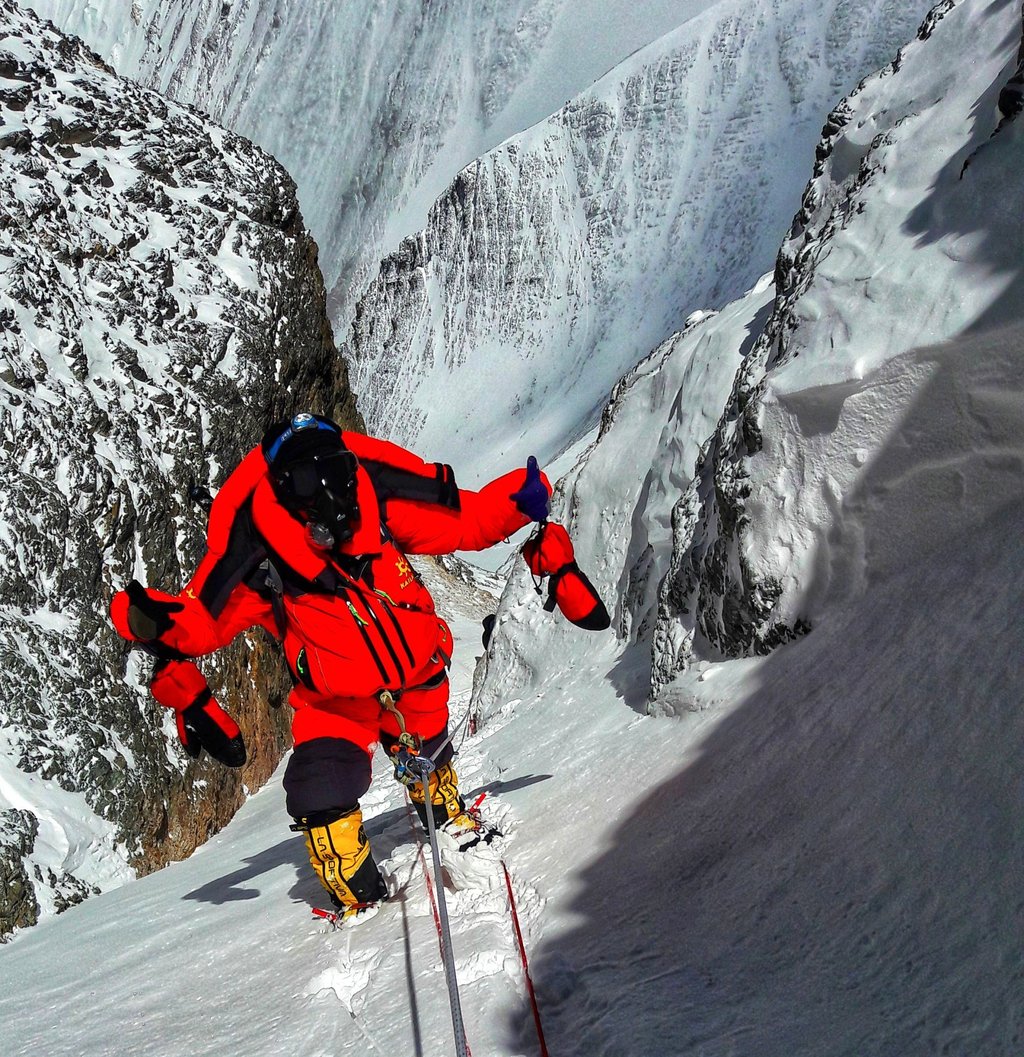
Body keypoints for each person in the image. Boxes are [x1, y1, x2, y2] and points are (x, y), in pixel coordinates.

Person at [109, 412, 564, 919]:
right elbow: (207, 618)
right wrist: (158, 623)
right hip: (337, 699)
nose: (330, 491)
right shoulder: (265, 564)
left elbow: (465, 521)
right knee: (319, 789)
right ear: (286, 490)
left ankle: (441, 808)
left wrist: (518, 501)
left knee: (428, 749)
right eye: (309, 479)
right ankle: (359, 895)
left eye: (337, 470)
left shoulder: (380, 510)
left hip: (416, 674)